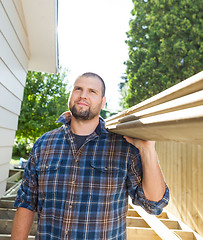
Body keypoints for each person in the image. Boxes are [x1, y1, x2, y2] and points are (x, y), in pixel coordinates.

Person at [11, 72, 169, 240]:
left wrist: (148, 150)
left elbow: (154, 205)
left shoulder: (123, 147)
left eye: (92, 91)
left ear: (103, 102)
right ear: (71, 95)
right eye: (78, 89)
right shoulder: (44, 144)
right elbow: (26, 202)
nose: (83, 95)